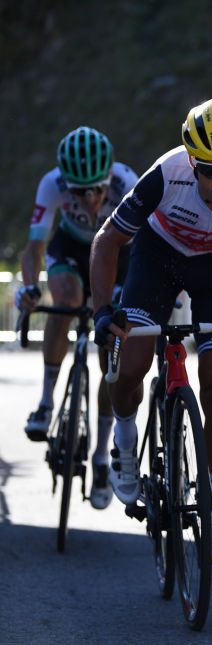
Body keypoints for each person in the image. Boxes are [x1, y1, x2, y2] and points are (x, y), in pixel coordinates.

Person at [90, 98, 212, 563]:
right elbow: (108, 240)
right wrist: (104, 311)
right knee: (132, 363)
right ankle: (123, 440)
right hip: (156, 260)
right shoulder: (166, 174)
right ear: (192, 162)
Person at [16, 126, 138, 509]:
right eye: (79, 192)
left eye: (97, 190)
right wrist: (31, 287)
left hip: (119, 253)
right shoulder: (51, 184)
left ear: (109, 178)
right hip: (69, 248)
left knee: (113, 344)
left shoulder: (127, 182)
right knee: (66, 300)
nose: (89, 199)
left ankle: (102, 455)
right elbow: (35, 246)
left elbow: (150, 242)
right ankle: (47, 401)